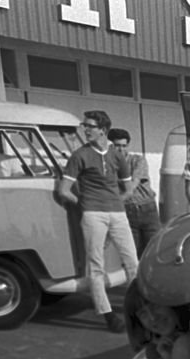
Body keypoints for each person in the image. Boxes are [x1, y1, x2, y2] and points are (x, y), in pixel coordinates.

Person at [56, 110, 138, 333]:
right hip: (93, 215)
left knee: (132, 262)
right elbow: (63, 190)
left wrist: (115, 203)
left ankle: (140, 309)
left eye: (90, 126)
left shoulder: (116, 155)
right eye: (85, 125)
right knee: (96, 265)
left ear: (103, 130)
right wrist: (85, 206)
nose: (86, 129)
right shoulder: (79, 155)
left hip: (117, 213)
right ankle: (108, 314)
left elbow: (129, 188)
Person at [107, 128, 161, 257]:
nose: (121, 149)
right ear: (110, 146)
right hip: (127, 210)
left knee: (153, 248)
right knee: (132, 252)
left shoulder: (137, 160)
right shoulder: (108, 165)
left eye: (124, 146)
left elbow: (131, 186)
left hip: (146, 208)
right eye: (117, 146)